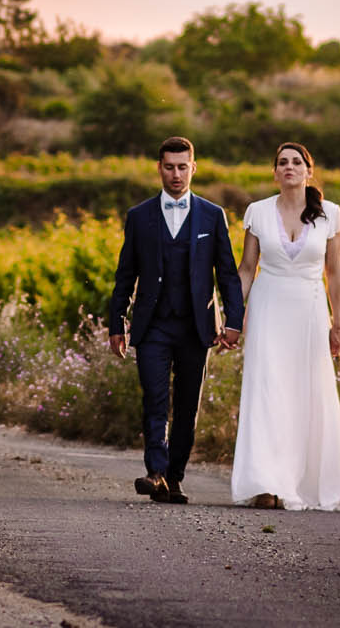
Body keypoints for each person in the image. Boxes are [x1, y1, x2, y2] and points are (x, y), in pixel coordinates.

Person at [107, 135, 244, 504]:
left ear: (193, 168)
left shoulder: (213, 216)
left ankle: (174, 477)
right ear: (159, 168)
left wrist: (234, 320)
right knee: (154, 398)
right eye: (169, 167)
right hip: (152, 324)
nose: (176, 174)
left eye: (183, 167)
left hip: (197, 327)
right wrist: (116, 323)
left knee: (187, 406)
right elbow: (125, 274)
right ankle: (155, 471)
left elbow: (228, 273)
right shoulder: (139, 217)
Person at [229, 141, 340, 511]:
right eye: (282, 163)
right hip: (268, 306)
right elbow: (246, 270)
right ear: (275, 172)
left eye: (296, 162)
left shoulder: (330, 214)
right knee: (267, 390)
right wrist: (232, 318)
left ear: (308, 170)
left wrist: (339, 324)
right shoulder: (257, 211)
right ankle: (268, 483)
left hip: (309, 309)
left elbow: (334, 273)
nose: (289, 167)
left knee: (307, 392)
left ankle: (304, 481)